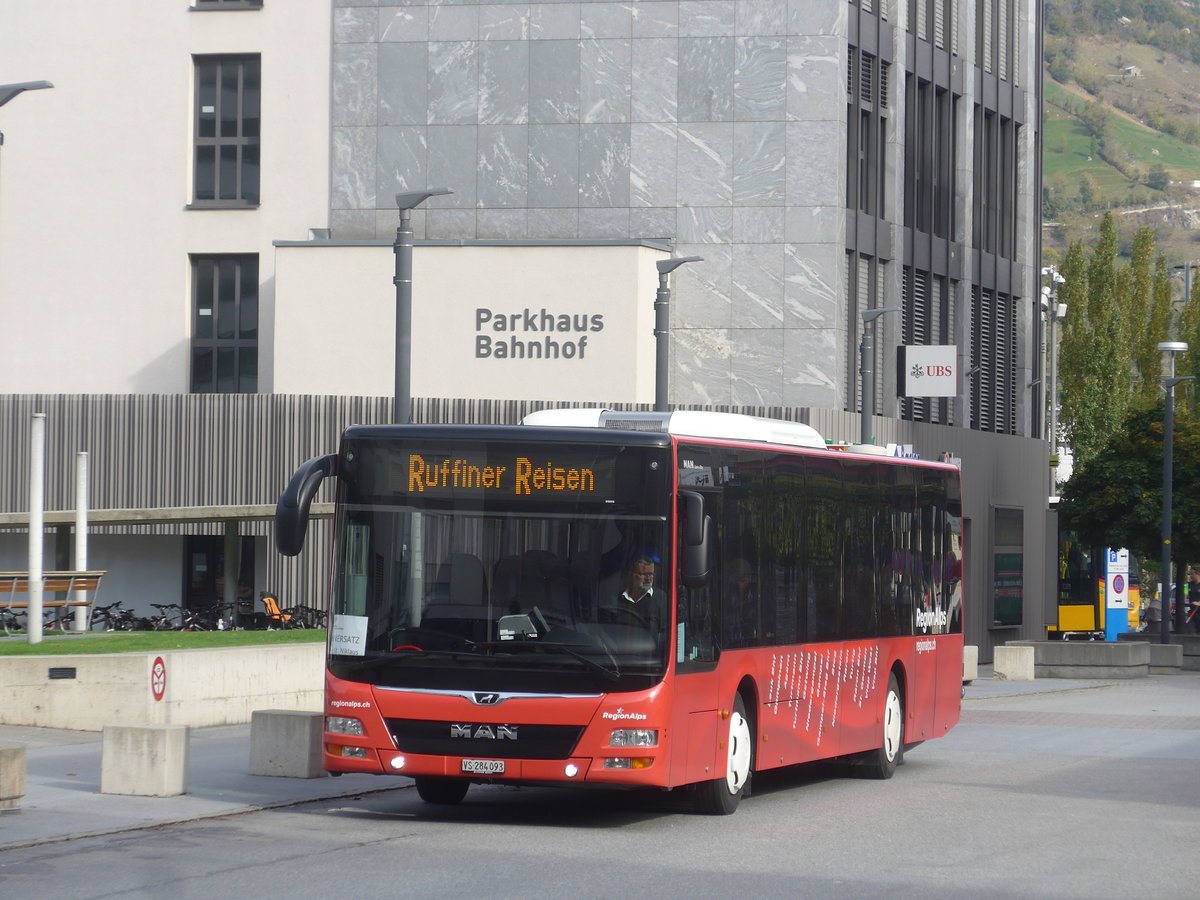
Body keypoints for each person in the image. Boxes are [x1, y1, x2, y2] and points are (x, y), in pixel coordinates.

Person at [600, 554, 663, 631]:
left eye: (651, 574)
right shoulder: (614, 601)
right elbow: (604, 631)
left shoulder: (661, 600)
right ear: (631, 575)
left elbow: (666, 634)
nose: (648, 579)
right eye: (644, 574)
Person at [1188, 566, 1200, 632]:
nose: (1191, 576)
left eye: (1192, 574)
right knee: (1191, 629)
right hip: (1192, 611)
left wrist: (1198, 603)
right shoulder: (1188, 585)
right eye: (1190, 574)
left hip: (1199, 610)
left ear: (1198, 574)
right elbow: (1184, 594)